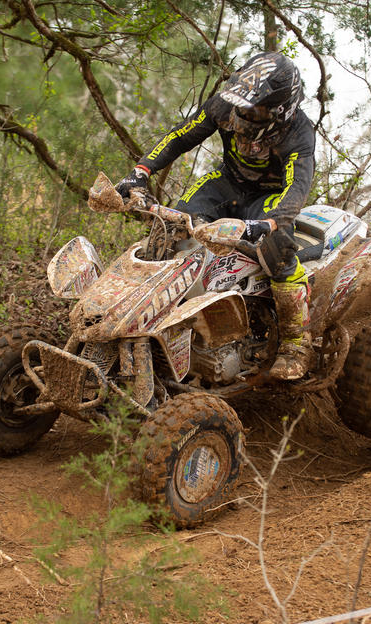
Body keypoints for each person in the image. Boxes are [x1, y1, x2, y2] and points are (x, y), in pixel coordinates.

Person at [115, 52, 316, 380]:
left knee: (277, 245)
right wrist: (140, 171)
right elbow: (181, 136)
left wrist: (260, 226)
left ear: (282, 110)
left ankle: (296, 342)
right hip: (226, 184)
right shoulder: (224, 105)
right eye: (243, 107)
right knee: (171, 226)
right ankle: (147, 318)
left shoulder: (299, 132)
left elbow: (295, 192)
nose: (245, 115)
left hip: (270, 197)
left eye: (257, 110)